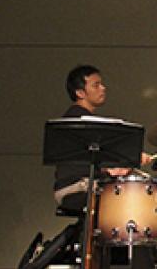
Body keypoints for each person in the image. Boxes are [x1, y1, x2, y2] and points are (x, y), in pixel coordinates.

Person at [54, 65, 151, 212]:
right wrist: (122, 164)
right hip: (76, 186)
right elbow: (87, 165)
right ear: (80, 92)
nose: (103, 88)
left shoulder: (82, 119)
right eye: (96, 85)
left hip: (83, 182)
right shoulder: (80, 122)